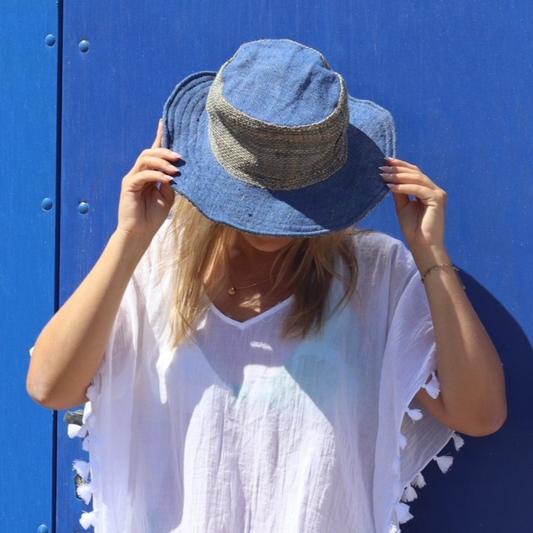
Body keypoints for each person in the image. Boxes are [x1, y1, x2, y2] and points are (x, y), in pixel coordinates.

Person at [28, 39, 506, 533]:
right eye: (257, 194)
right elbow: (50, 386)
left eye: (297, 196)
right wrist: (130, 238)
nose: (272, 224)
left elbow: (479, 413)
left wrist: (432, 254)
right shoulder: (157, 263)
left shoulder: (373, 274)